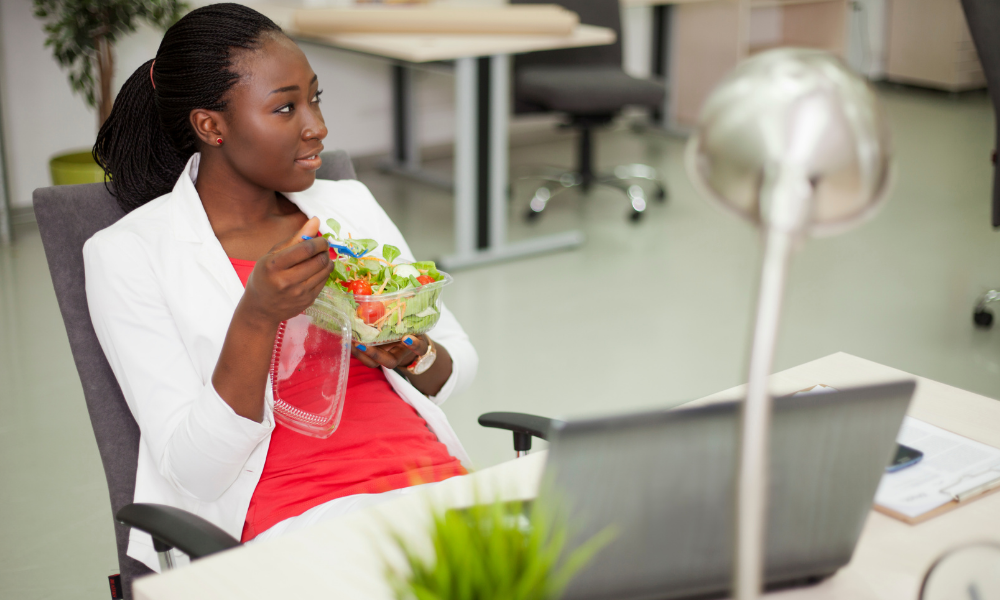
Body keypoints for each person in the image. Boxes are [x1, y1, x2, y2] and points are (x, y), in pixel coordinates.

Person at [84, 3, 477, 572]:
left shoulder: (348, 206)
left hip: (431, 481)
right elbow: (196, 469)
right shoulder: (128, 254)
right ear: (211, 126)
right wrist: (257, 316)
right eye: (285, 107)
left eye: (315, 99)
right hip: (300, 515)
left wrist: (412, 354)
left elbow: (457, 362)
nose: (316, 126)